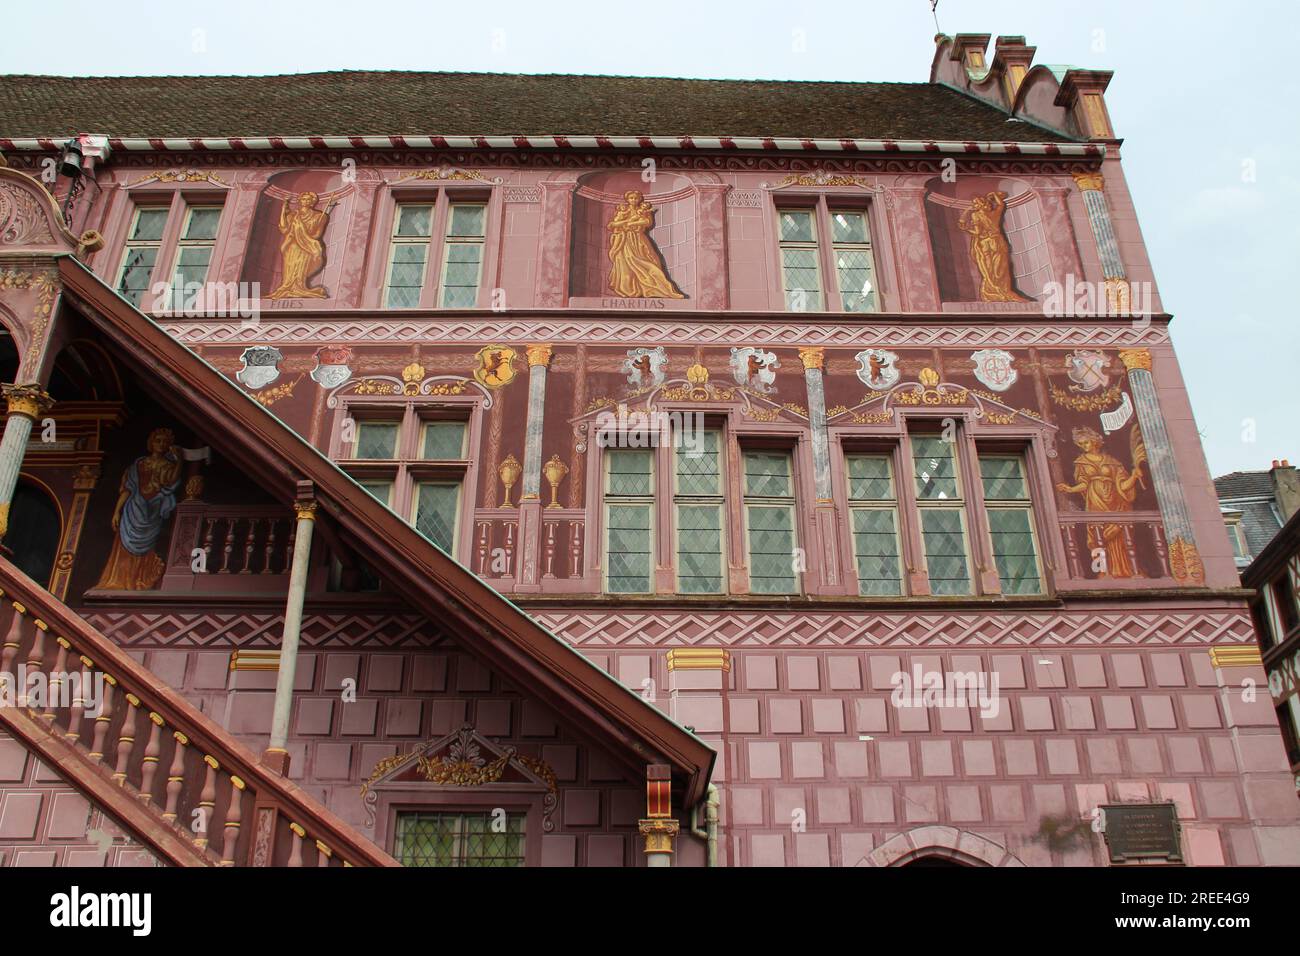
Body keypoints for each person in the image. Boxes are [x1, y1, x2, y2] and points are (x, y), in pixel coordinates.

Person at [94, 428, 183, 590]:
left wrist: (179, 462)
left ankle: (138, 581)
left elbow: (171, 480)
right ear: (151, 442)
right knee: (123, 546)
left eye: (164, 441)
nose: (161, 444)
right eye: (158, 440)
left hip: (153, 511)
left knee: (146, 549)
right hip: (132, 509)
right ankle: (118, 581)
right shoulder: (138, 464)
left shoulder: (168, 466)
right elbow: (128, 489)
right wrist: (116, 511)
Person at [1056, 426, 1144, 578]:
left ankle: (1124, 571)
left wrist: (1134, 477)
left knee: (1120, 538)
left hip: (1115, 502)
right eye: (1081, 444)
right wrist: (1070, 489)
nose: (1084, 446)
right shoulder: (1081, 463)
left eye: (1086, 443)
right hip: (1095, 500)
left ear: (1095, 441)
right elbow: (1084, 483)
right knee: (1098, 536)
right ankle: (1103, 571)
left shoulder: (1113, 462)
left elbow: (1122, 486)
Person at [607, 191, 685, 299]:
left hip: (639, 239)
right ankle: (629, 289)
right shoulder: (623, 211)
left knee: (649, 261)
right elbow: (611, 225)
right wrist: (627, 222)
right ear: (627, 200)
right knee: (626, 262)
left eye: (635, 198)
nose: (633, 200)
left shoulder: (643, 211)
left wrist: (634, 223)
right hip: (624, 241)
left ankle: (659, 288)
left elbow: (648, 222)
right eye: (631, 198)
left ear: (639, 199)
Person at [269, 191, 332, 299]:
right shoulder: (293, 215)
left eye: (308, 199)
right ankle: (287, 287)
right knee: (290, 267)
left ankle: (299, 287)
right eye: (303, 199)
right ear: (299, 201)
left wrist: (303, 234)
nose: (305, 201)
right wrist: (284, 210)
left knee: (300, 268)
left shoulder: (319, 216)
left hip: (306, 247)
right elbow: (284, 229)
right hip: (292, 245)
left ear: (312, 202)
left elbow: (317, 235)